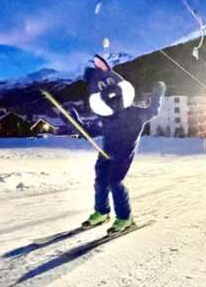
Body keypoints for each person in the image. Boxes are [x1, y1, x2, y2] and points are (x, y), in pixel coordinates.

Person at [69, 55, 165, 233]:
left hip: (123, 154)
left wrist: (158, 94)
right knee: (100, 181)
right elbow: (90, 131)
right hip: (106, 153)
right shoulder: (107, 118)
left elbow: (152, 111)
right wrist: (75, 123)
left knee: (115, 181)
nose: (111, 98)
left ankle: (125, 217)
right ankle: (102, 212)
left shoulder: (135, 114)